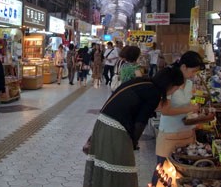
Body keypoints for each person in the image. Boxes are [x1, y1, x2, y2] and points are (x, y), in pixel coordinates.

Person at [83, 66, 184, 187]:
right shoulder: (154, 93)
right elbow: (141, 122)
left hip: (102, 123)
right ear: (170, 85)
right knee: (120, 166)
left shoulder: (142, 82)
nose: (174, 92)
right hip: (115, 129)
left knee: (104, 164)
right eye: (176, 89)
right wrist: (132, 143)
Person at [150, 51, 204, 186]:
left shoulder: (190, 84)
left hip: (187, 133)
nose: (194, 74)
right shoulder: (170, 82)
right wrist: (189, 109)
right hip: (170, 134)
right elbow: (165, 110)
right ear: (184, 67)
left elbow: (187, 105)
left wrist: (196, 115)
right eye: (193, 71)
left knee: (183, 175)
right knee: (163, 171)